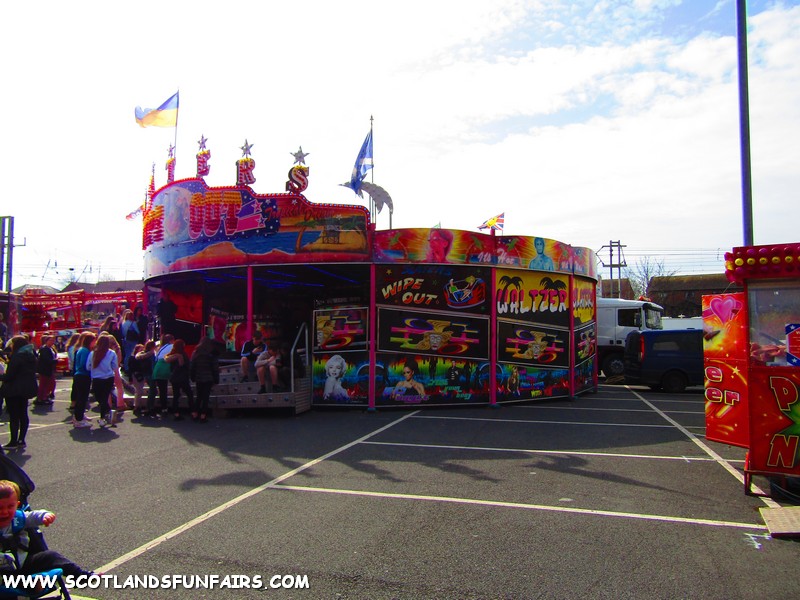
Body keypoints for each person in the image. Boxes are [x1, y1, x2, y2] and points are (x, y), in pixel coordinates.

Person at [0, 480, 94, 588]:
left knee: (51, 556)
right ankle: (28, 584)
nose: (5, 512)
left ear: (17, 505)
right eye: (0, 508)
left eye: (10, 507)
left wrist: (44, 516)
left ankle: (80, 577)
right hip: (3, 570)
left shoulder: (18, 518)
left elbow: (33, 516)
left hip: (23, 563)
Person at [0, 336, 37, 449]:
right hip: (26, 388)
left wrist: (2, 376)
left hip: (14, 389)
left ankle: (13, 441)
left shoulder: (17, 357)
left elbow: (10, 375)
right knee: (23, 414)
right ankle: (21, 440)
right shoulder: (30, 355)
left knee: (14, 416)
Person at [86, 334, 119, 428]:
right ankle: (106, 413)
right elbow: (114, 366)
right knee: (104, 397)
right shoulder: (111, 353)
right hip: (108, 378)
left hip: (97, 378)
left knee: (100, 398)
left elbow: (88, 366)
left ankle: (102, 417)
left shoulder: (93, 353)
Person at [189, 336, 219, 423]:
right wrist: (216, 379)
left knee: (199, 396)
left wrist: (192, 377)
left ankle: (195, 413)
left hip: (199, 377)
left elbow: (192, 367)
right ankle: (203, 415)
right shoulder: (211, 354)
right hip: (209, 377)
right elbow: (215, 368)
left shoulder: (196, 353)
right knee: (206, 397)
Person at [70, 332, 95, 428]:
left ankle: (79, 415)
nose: (95, 343)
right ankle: (79, 419)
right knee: (82, 398)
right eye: (94, 341)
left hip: (80, 375)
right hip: (83, 376)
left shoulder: (82, 349)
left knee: (82, 398)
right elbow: (84, 364)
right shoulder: (85, 351)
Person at [165, 339, 192, 420]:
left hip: (174, 377)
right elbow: (184, 365)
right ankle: (193, 412)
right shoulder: (183, 354)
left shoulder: (172, 355)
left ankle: (176, 413)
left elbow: (167, 360)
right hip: (183, 377)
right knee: (189, 394)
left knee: (176, 396)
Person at [148, 334, 174, 416]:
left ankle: (160, 407)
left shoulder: (160, 348)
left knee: (160, 390)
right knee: (163, 390)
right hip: (164, 369)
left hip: (157, 369)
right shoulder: (171, 346)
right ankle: (164, 408)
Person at [34, 336, 57, 406]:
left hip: (49, 369)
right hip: (44, 369)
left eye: (53, 340)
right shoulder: (44, 349)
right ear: (46, 341)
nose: (52, 342)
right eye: (50, 340)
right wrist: (54, 361)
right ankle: (40, 398)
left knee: (50, 384)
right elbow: (45, 359)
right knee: (43, 384)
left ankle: (46, 396)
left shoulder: (51, 348)